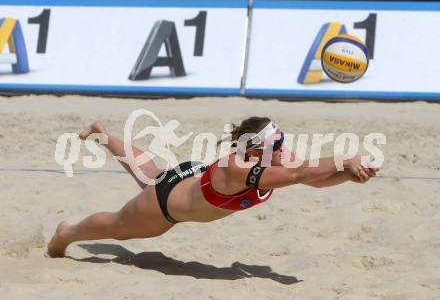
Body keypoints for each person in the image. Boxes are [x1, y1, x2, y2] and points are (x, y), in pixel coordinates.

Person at [47, 117, 377, 257]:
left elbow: (311, 180)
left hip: (186, 179)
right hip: (164, 207)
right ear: (253, 150)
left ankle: (101, 132)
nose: (282, 147)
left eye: (282, 140)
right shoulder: (240, 167)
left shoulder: (273, 162)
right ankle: (67, 232)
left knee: (150, 174)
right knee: (119, 227)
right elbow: (302, 175)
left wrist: (347, 174)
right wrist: (343, 160)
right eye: (275, 143)